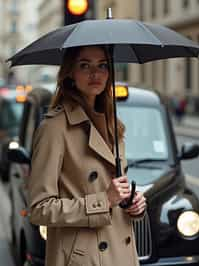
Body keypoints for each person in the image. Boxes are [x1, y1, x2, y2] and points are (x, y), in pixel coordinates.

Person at [28, 45, 146, 266]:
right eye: (85, 65)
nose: (96, 73)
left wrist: (132, 202)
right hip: (84, 258)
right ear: (70, 73)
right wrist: (104, 200)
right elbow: (39, 209)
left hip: (122, 254)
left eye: (102, 65)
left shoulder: (113, 125)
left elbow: (113, 189)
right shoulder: (54, 127)